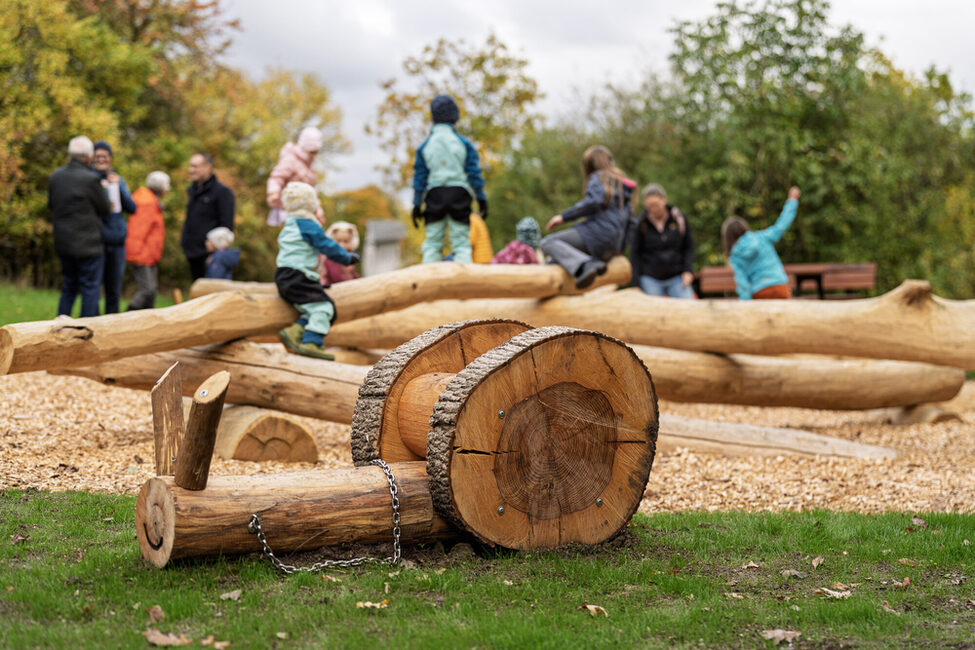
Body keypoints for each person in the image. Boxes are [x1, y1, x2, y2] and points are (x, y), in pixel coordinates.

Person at [275, 182, 359, 360]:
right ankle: (312, 342)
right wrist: (347, 258)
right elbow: (326, 245)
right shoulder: (307, 224)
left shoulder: (290, 224)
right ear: (311, 204)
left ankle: (294, 331)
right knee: (325, 308)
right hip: (298, 275)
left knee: (314, 309)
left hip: (285, 275)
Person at [542, 145, 636, 289]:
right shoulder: (623, 187)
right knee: (554, 261)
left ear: (589, 165)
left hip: (595, 235)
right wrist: (619, 249)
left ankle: (586, 265)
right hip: (612, 245)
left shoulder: (599, 177)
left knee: (547, 243)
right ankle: (582, 269)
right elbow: (631, 223)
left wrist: (563, 217)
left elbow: (594, 202)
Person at [411, 94, 487, 264]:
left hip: (434, 194)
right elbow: (473, 172)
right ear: (455, 119)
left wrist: (416, 204)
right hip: (459, 193)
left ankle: (427, 283)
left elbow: (420, 177)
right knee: (461, 244)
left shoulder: (425, 146)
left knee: (432, 244)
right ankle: (464, 283)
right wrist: (481, 197)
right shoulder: (463, 143)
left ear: (433, 118)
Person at [48, 136, 111, 318]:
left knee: (68, 286)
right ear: (89, 157)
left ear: (70, 155)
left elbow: (52, 205)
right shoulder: (91, 179)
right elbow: (105, 208)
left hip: (63, 243)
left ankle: (58, 329)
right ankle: (87, 331)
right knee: (90, 289)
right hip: (88, 245)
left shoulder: (55, 176)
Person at [722, 186, 801, 300]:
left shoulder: (735, 256)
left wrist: (745, 305)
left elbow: (742, 284)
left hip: (759, 292)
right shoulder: (761, 238)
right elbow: (782, 224)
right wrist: (792, 201)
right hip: (780, 287)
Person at [91, 141, 136, 313]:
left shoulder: (118, 179)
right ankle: (93, 326)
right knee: (94, 289)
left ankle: (112, 327)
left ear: (110, 159)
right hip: (97, 240)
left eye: (105, 156)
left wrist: (118, 187)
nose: (101, 160)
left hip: (117, 241)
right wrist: (100, 190)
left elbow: (132, 208)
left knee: (114, 289)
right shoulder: (89, 179)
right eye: (98, 156)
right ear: (92, 159)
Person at [630, 184, 695, 298]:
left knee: (689, 307)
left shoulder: (679, 218)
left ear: (664, 200)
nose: (653, 209)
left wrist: (688, 270)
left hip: (677, 276)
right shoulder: (642, 223)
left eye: (656, 205)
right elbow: (635, 253)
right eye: (649, 206)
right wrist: (636, 283)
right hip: (650, 278)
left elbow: (689, 247)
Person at [181, 152, 235, 280]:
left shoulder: (222, 192)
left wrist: (216, 253)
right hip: (192, 252)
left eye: (195, 166)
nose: (191, 170)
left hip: (210, 256)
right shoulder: (193, 191)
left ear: (208, 167)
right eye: (190, 166)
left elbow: (226, 226)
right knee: (198, 294)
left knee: (213, 294)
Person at [125, 171, 170, 310]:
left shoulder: (153, 203)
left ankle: (149, 323)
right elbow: (137, 232)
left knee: (152, 293)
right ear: (162, 188)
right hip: (142, 256)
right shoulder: (147, 203)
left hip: (149, 255)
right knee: (148, 290)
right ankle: (127, 315)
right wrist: (134, 255)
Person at [266, 126, 324, 226]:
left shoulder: (310, 167)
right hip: (286, 209)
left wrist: (318, 211)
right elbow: (276, 178)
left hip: (304, 213)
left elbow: (313, 191)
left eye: (315, 152)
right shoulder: (290, 160)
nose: (313, 155)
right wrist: (273, 193)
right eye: (311, 152)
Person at [320, 221, 360, 286]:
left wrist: (358, 280)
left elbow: (352, 274)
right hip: (333, 288)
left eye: (346, 242)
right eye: (338, 242)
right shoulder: (332, 258)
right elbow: (336, 276)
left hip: (345, 287)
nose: (342, 245)